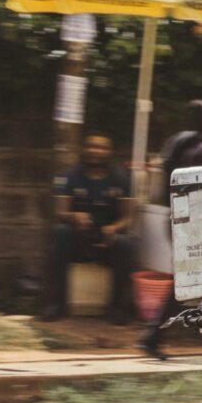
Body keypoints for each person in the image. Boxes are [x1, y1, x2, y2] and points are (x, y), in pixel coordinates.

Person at [138, 100, 202, 359]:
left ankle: (156, 336)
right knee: (191, 281)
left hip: (176, 218)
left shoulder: (181, 143)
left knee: (198, 280)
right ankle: (154, 336)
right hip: (196, 224)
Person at [43, 134, 133, 324]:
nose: (95, 151)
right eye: (91, 146)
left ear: (109, 152)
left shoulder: (121, 178)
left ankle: (117, 308)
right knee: (60, 232)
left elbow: (128, 217)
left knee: (126, 244)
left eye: (101, 148)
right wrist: (73, 216)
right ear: (84, 149)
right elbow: (60, 212)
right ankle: (57, 305)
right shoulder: (70, 176)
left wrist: (113, 228)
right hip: (79, 237)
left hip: (107, 238)